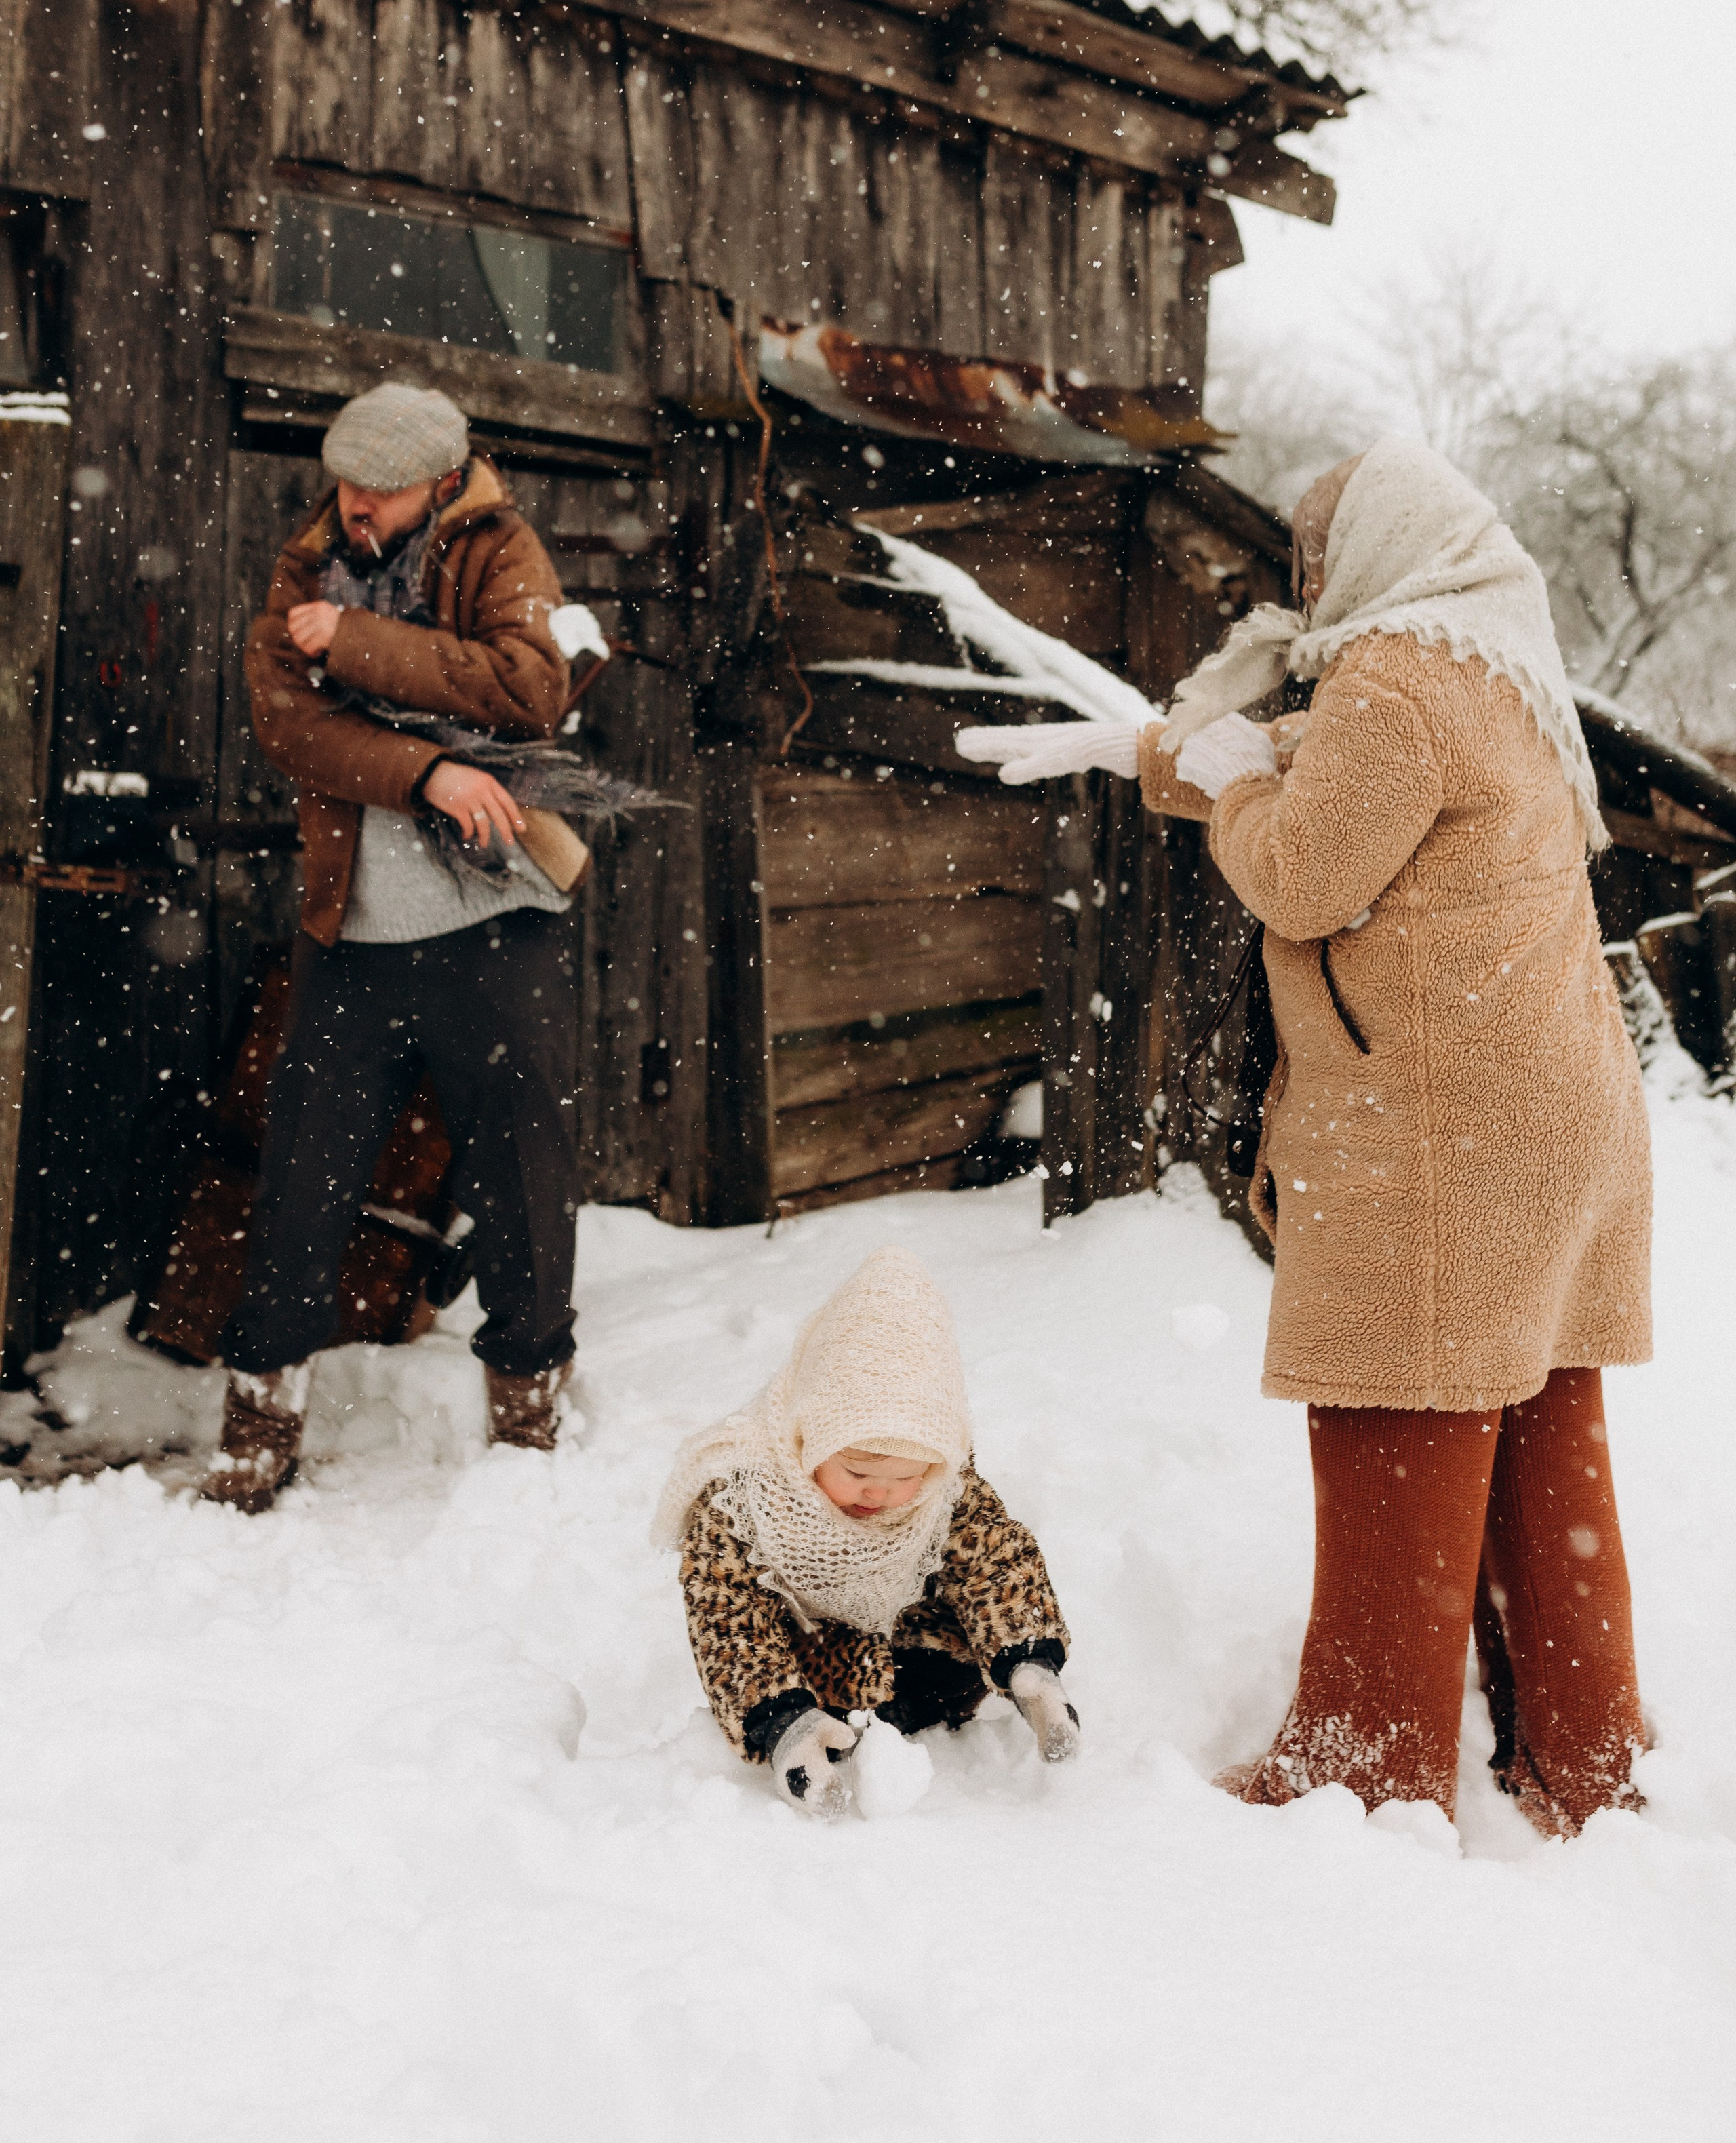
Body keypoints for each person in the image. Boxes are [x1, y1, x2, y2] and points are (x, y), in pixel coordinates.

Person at [960, 436, 1651, 1837]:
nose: (1307, 579)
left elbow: (1301, 868)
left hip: (1442, 1134)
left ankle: (1363, 1764)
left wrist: (1224, 789)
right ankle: (1582, 1755)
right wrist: (1147, 749)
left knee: (1394, 1425)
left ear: (1385, 546)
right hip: (1551, 1120)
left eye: (1318, 551)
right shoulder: (1495, 666)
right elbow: (1317, 768)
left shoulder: (1392, 677)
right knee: (1537, 1432)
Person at [199, 382, 586, 1512]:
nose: (356, 507)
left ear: (443, 483)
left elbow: (532, 687)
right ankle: (261, 1415)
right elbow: (289, 723)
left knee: (522, 1172)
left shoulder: (501, 549)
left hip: (496, 921)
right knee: (303, 1173)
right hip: (354, 928)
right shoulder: (309, 560)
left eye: (382, 490)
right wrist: (428, 772)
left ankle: (528, 1402)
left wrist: (358, 643)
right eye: (346, 486)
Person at [654, 1246, 1080, 1817]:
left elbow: (996, 1561)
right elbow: (728, 1618)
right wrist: (780, 1720)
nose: (879, 1494)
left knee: (970, 1581)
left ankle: (927, 1707)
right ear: (809, 1435)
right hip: (809, 1670)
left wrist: (1028, 1661)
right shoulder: (744, 1497)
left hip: (918, 1656)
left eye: (905, 1478)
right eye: (856, 1473)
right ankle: (810, 1734)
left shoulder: (944, 1488)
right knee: (775, 1663)